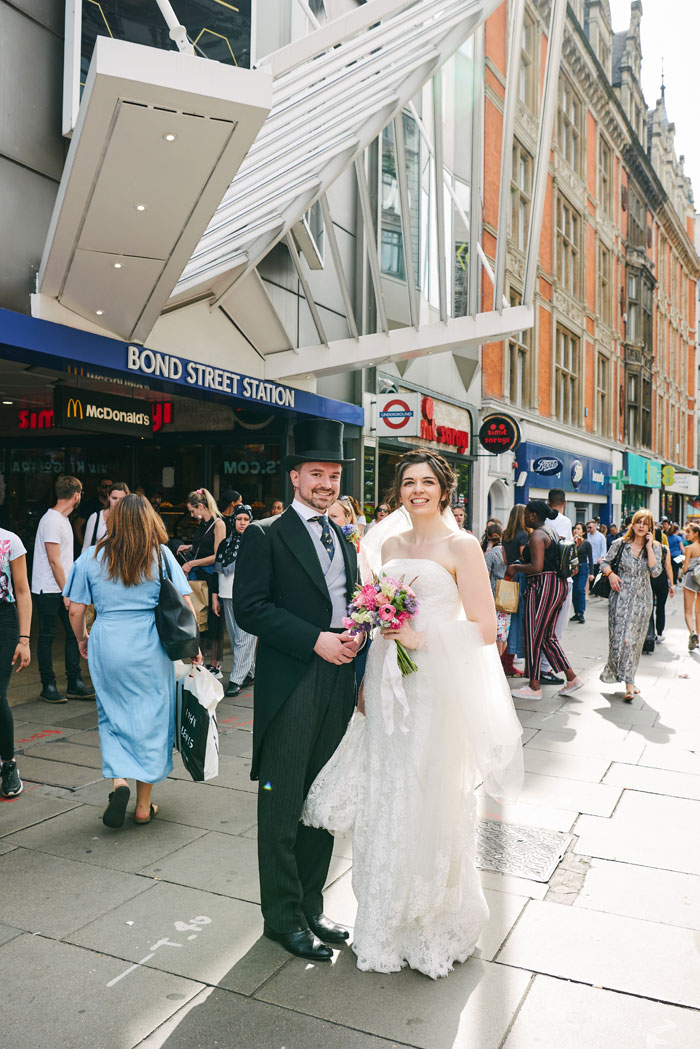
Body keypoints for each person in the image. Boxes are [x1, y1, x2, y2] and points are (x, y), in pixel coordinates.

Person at [301, 448, 523, 978]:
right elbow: (374, 614)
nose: (417, 490)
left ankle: (428, 921)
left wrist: (422, 638)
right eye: (408, 483)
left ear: (444, 490)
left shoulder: (462, 546)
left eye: (427, 482)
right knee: (384, 791)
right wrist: (369, 670)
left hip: (432, 690)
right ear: (397, 490)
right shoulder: (388, 542)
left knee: (426, 792)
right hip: (384, 680)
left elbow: (486, 628)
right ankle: (380, 921)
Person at [234, 419, 362, 963]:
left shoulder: (342, 535)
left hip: (340, 678)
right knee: (283, 803)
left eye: (333, 475)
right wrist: (316, 641)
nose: (327, 484)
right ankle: (281, 917)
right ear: (294, 477)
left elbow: (352, 599)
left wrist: (361, 629)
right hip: (294, 681)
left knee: (322, 797)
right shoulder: (265, 534)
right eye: (316, 474)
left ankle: (312, 903)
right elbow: (251, 609)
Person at [65, 495, 200, 827]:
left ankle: (119, 781)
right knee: (152, 719)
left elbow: (74, 609)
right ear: (149, 520)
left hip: (108, 640)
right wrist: (191, 645)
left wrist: (83, 638)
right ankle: (143, 806)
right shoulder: (162, 556)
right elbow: (186, 604)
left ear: (113, 521)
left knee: (112, 713)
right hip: (149, 643)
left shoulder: (90, 558)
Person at [505, 500, 581, 700]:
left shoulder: (537, 535)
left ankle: (534, 686)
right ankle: (571, 678)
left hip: (542, 585)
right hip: (557, 585)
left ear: (532, 516)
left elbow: (536, 567)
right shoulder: (551, 531)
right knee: (547, 636)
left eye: (526, 514)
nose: (524, 518)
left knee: (533, 635)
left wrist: (515, 568)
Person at [31, 475, 93, 703]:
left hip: (61, 587)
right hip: (47, 588)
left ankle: (74, 682)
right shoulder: (52, 520)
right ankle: (48, 685)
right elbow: (54, 560)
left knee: (72, 633)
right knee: (47, 636)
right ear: (76, 495)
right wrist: (67, 591)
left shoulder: (61, 519)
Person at [599, 510, 663, 700]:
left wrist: (650, 547)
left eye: (646, 523)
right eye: (638, 522)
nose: (641, 526)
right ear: (632, 524)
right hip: (619, 598)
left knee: (632, 641)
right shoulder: (620, 544)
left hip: (642, 601)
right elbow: (604, 562)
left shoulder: (656, 547)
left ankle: (630, 683)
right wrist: (610, 574)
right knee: (618, 641)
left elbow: (656, 572)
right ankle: (616, 674)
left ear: (650, 527)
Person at [178, 489, 227, 678]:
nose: (192, 515)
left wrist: (192, 563)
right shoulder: (203, 524)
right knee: (201, 618)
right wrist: (189, 547)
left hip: (211, 577)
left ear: (201, 506)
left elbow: (217, 555)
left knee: (213, 620)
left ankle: (214, 665)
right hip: (199, 576)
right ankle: (203, 661)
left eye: (192, 511)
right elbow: (203, 546)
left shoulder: (219, 523)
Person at [0, 525, 32, 798]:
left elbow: (22, 591)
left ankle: (8, 764)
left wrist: (24, 639)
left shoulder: (10, 540)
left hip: (4, 622)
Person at [213, 504, 256, 698]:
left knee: (243, 638)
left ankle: (236, 679)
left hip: (248, 596)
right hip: (226, 595)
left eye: (246, 520)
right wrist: (215, 596)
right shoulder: (225, 544)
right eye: (239, 519)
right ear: (233, 521)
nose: (243, 523)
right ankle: (251, 672)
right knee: (236, 637)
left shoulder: (256, 540)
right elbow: (217, 570)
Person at [539, 488, 574, 685]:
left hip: (542, 578)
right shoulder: (564, 521)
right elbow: (565, 549)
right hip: (560, 579)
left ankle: (542, 667)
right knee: (556, 628)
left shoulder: (542, 520)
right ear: (564, 503)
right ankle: (545, 668)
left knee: (544, 625)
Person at [502, 504, 529, 677]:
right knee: (518, 620)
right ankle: (508, 662)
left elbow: (505, 557)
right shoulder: (523, 535)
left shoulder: (505, 535)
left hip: (507, 578)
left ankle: (505, 659)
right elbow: (524, 557)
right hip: (520, 577)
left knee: (506, 618)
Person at [483, 522, 510, 665]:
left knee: (496, 629)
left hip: (494, 594)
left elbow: (485, 577)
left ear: (488, 536)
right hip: (507, 593)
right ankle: (503, 659)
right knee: (504, 627)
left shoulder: (490, 555)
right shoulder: (507, 552)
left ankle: (497, 660)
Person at [81, 482, 130, 552]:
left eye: (121, 499)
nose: (117, 502)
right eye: (114, 498)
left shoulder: (130, 519)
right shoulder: (96, 517)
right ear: (108, 497)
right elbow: (86, 548)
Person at [651, 526, 674, 641]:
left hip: (649, 579)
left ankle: (649, 632)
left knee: (649, 607)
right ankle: (660, 633)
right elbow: (668, 567)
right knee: (660, 608)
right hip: (662, 579)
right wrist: (672, 584)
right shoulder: (665, 549)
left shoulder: (647, 548)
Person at [74, 477, 112, 547]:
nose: (108, 489)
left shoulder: (115, 505)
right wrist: (84, 545)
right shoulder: (89, 504)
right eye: (104, 486)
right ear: (98, 488)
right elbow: (77, 526)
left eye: (110, 487)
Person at [570, 522, 594, 624]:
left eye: (579, 529)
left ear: (583, 532)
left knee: (580, 589)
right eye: (576, 528)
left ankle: (581, 613)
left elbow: (591, 559)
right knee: (574, 590)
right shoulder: (572, 542)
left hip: (583, 567)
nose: (576, 530)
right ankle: (576, 612)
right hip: (573, 568)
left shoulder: (586, 543)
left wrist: (592, 573)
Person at [681, 522, 700, 650]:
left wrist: (683, 564)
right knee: (698, 612)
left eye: (688, 532)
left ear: (696, 534)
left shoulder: (689, 548)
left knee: (688, 611)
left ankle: (692, 632)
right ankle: (698, 638)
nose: (686, 534)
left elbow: (685, 568)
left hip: (690, 580)